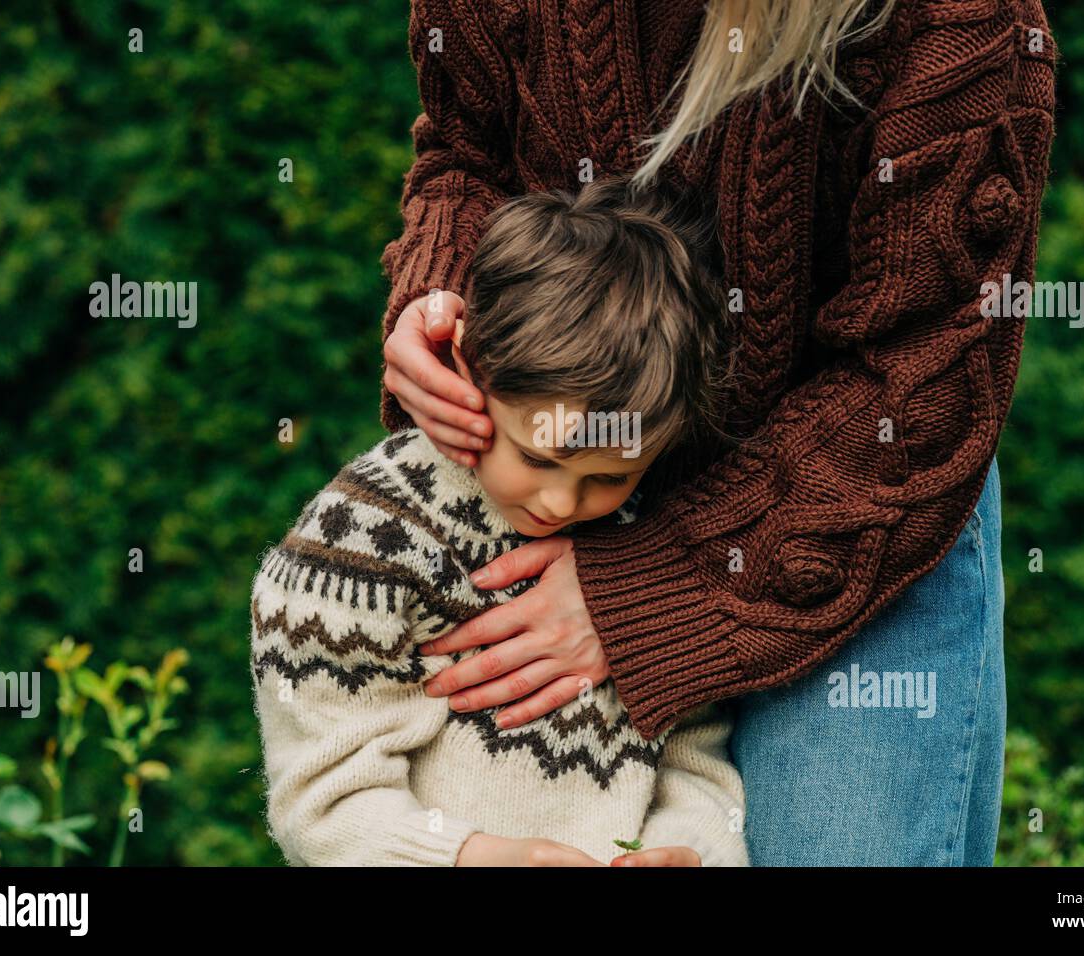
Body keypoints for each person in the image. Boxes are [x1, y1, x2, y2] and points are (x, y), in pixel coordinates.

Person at [378, 0, 1057, 865]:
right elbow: (466, 146)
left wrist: (649, 592)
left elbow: (920, 379)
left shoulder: (955, 17)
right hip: (554, 503)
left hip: (857, 511)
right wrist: (438, 292)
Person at [251, 177, 749, 866]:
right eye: (537, 457)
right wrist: (468, 856)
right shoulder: (361, 542)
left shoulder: (655, 543)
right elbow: (324, 799)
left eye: (610, 476)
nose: (560, 505)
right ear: (465, 359)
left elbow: (697, 760)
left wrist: (688, 849)